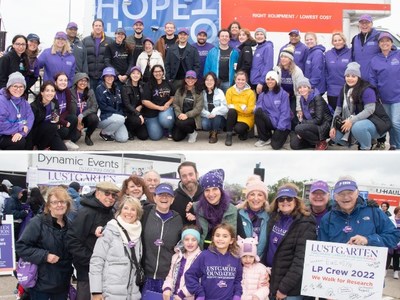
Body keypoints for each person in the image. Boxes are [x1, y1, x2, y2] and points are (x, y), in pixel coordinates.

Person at [16, 187, 74, 300]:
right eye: (54, 202)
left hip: (62, 283)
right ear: (48, 205)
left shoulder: (70, 225)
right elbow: (21, 247)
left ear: (67, 204)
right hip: (41, 284)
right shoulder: (37, 223)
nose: (59, 205)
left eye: (62, 201)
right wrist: (45, 256)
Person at [67, 181, 120, 300]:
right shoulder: (86, 212)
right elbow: (72, 240)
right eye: (107, 194)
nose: (110, 198)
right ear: (97, 193)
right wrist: (91, 259)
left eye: (113, 195)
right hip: (87, 272)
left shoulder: (110, 212)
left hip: (105, 271)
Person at [264, 183, 317, 300]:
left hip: (289, 290)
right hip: (271, 281)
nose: (285, 202)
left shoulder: (306, 222)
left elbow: (301, 260)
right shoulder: (274, 218)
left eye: (289, 198)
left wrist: (284, 288)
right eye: (281, 199)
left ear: (296, 201)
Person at [319, 176, 400, 248]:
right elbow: (321, 248)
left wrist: (368, 240)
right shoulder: (327, 219)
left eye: (350, 192)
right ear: (335, 196)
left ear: (357, 193)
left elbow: (394, 236)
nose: (346, 197)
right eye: (341, 194)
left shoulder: (374, 212)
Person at [90, 196, 143, 300]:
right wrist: (96, 291)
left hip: (132, 294)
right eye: (126, 208)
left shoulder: (138, 232)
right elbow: (97, 261)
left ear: (138, 214)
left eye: (133, 209)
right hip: (110, 293)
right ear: (120, 210)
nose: (129, 212)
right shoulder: (109, 231)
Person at [329, 62, 391, 150]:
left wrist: (351, 120)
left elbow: (369, 110)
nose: (350, 79)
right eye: (347, 76)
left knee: (357, 127)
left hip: (376, 122)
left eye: (353, 76)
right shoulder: (344, 90)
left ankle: (366, 148)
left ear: (358, 77)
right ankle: (362, 141)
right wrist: (333, 127)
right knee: (334, 136)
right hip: (358, 122)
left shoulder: (367, 89)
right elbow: (338, 110)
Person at [141, 183, 183, 295]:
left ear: (172, 199)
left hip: (167, 279)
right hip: (144, 276)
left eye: (168, 195)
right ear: (154, 197)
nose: (164, 198)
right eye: (160, 194)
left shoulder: (178, 219)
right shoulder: (144, 213)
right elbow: (126, 221)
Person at [185, 222, 243, 299]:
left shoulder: (235, 258)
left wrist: (237, 295)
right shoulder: (204, 256)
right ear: (213, 238)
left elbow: (237, 281)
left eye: (225, 236)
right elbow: (190, 275)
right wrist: (199, 293)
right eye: (217, 235)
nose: (220, 239)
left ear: (231, 240)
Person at [190, 169, 245, 249]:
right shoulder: (196, 209)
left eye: (215, 189)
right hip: (203, 255)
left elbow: (241, 237)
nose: (211, 194)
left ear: (221, 190)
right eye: (207, 190)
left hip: (226, 256)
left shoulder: (232, 211)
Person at [369, 32, 400, 150]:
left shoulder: (398, 55)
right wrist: (375, 94)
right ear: (379, 44)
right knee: (389, 123)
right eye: (382, 41)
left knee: (396, 122)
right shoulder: (375, 59)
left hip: (398, 96)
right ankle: (393, 144)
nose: (385, 43)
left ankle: (398, 146)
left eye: (387, 41)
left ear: (391, 43)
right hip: (384, 97)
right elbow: (373, 78)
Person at [290, 77, 333, 150]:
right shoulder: (302, 99)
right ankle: (314, 143)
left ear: (309, 88)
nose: (302, 89)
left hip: (322, 126)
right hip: (312, 125)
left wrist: (302, 123)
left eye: (304, 87)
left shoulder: (317, 98)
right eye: (300, 87)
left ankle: (321, 141)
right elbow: (305, 117)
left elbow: (319, 120)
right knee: (294, 145)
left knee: (298, 128)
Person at [254, 70, 291, 150]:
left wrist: (280, 128)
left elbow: (285, 113)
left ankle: (284, 136)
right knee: (258, 112)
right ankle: (265, 138)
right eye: (268, 79)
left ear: (276, 81)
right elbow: (259, 107)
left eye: (272, 79)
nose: (270, 81)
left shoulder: (283, 94)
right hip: (271, 120)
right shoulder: (263, 94)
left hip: (282, 124)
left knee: (275, 146)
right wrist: (258, 109)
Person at [162, 226, 202, 299]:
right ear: (182, 241)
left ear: (198, 241)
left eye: (193, 240)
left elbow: (198, 282)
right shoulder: (176, 256)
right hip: (173, 296)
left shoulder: (201, 258)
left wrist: (182, 294)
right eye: (186, 239)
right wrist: (167, 288)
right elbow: (170, 276)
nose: (190, 243)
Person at [28, 81, 68, 150]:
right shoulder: (34, 107)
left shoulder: (54, 103)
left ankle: (48, 146)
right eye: (47, 91)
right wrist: (31, 146)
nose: (50, 93)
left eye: (52, 91)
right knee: (52, 127)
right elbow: (30, 129)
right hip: (37, 134)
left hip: (50, 132)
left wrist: (56, 120)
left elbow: (54, 120)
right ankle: (41, 148)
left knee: (63, 150)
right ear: (42, 93)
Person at [0, 72, 34, 150]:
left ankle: (27, 161)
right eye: (15, 86)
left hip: (17, 131)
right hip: (2, 134)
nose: (18, 89)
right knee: (19, 142)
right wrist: (19, 128)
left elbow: (29, 119)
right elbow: (1, 124)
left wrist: (20, 132)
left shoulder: (24, 102)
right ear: (9, 87)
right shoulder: (2, 101)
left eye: (21, 86)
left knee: (29, 137)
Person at [273, 45, 304, 129]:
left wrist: (299, 108)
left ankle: (294, 133)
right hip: (281, 96)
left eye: (286, 57)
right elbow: (273, 85)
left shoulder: (297, 71)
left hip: (293, 96)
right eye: (282, 57)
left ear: (290, 59)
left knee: (293, 116)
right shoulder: (277, 69)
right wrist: (282, 93)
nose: (283, 59)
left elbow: (300, 91)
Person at [141, 64, 175, 140]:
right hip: (152, 112)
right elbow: (144, 101)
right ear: (152, 73)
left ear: (163, 72)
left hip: (165, 109)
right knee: (155, 137)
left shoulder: (168, 83)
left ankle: (169, 129)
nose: (158, 73)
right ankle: (154, 124)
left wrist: (168, 103)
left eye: (160, 71)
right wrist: (158, 107)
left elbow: (173, 96)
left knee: (166, 121)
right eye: (155, 72)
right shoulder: (148, 85)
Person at [236, 179, 269, 257]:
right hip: (241, 262)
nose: (256, 198)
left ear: (264, 199)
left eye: (260, 195)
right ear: (247, 197)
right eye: (252, 194)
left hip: (261, 263)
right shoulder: (237, 215)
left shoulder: (270, 217)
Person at [96, 66, 129, 143]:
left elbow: (120, 103)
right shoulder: (99, 88)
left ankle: (112, 130)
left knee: (123, 139)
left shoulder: (117, 87)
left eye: (111, 76)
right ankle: (104, 133)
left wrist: (120, 113)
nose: (109, 77)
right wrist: (118, 114)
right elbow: (103, 107)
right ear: (104, 77)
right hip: (104, 117)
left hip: (116, 117)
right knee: (121, 119)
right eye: (107, 76)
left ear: (114, 77)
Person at [225, 71, 256, 146]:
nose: (240, 82)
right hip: (234, 116)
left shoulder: (250, 93)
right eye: (238, 79)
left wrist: (235, 106)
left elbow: (250, 110)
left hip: (246, 117)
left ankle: (245, 132)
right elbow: (228, 106)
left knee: (238, 129)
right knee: (231, 111)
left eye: (243, 80)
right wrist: (241, 107)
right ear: (235, 80)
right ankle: (228, 135)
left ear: (246, 81)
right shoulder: (230, 91)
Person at [172, 70, 204, 143]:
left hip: (193, 118)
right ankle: (187, 131)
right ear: (185, 79)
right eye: (188, 78)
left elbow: (198, 108)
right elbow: (175, 104)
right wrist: (179, 114)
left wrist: (186, 115)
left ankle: (192, 132)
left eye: (192, 78)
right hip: (181, 116)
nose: (190, 80)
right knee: (176, 138)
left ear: (195, 80)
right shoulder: (179, 90)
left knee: (180, 123)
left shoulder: (199, 92)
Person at [204, 29, 239, 93]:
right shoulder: (212, 52)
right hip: (215, 82)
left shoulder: (235, 52)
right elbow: (207, 67)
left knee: (227, 102)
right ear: (219, 38)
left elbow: (237, 68)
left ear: (229, 38)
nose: (224, 38)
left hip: (228, 83)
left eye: (226, 36)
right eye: (222, 36)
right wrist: (207, 81)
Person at [70, 72, 99, 146]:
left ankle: (88, 136)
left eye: (85, 81)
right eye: (81, 80)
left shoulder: (90, 92)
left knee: (94, 118)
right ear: (76, 81)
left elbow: (94, 106)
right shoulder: (70, 92)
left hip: (85, 118)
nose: (83, 83)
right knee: (74, 139)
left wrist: (82, 114)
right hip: (74, 119)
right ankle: (77, 131)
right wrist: (76, 121)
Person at [82, 18, 113, 89]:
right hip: (89, 76)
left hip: (104, 76)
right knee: (90, 98)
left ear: (102, 27)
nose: (98, 27)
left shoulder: (110, 41)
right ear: (93, 27)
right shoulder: (85, 40)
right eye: (96, 25)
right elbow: (82, 58)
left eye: (100, 26)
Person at [325, 32, 351, 110]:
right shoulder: (328, 54)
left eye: (339, 40)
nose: (337, 42)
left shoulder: (350, 53)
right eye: (335, 40)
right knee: (334, 114)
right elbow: (325, 71)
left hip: (346, 90)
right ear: (332, 42)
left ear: (344, 41)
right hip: (332, 91)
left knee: (345, 114)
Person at [121, 66, 149, 141]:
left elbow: (147, 99)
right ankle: (129, 129)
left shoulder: (143, 85)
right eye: (133, 73)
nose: (135, 75)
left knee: (144, 136)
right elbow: (127, 105)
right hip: (129, 113)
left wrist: (141, 106)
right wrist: (138, 114)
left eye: (138, 73)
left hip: (140, 113)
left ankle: (135, 128)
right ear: (130, 75)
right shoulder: (125, 87)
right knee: (137, 121)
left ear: (141, 75)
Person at [54, 72, 81, 150]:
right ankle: (56, 142)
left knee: (73, 118)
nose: (63, 82)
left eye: (65, 80)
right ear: (55, 82)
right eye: (61, 80)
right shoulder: (52, 92)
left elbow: (67, 110)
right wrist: (63, 122)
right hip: (51, 121)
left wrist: (61, 120)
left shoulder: (67, 91)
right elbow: (52, 114)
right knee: (65, 130)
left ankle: (67, 141)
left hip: (61, 118)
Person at [200, 72, 228, 143]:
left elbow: (225, 108)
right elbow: (200, 108)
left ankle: (214, 134)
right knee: (204, 124)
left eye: (211, 80)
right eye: (207, 80)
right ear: (204, 81)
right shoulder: (202, 93)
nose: (209, 82)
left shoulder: (220, 92)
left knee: (217, 117)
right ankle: (211, 131)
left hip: (219, 118)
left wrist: (215, 112)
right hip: (208, 117)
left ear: (215, 81)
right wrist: (207, 114)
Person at [351, 14, 381, 80]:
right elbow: (352, 58)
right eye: (362, 23)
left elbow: (389, 53)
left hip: (374, 79)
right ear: (359, 25)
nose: (364, 25)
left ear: (371, 24)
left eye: (367, 22)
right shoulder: (355, 39)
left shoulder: (379, 37)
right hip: (358, 80)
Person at [250, 28, 274, 95]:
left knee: (261, 104)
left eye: (261, 34)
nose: (259, 36)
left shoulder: (268, 47)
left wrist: (261, 82)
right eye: (257, 34)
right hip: (254, 81)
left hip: (260, 82)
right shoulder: (258, 48)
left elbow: (268, 66)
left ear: (265, 36)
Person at [389, 206, 400, 279]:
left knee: (397, 257)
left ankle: (396, 272)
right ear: (396, 211)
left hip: (399, 241)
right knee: (388, 256)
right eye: (399, 211)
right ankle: (385, 271)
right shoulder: (390, 218)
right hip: (391, 240)